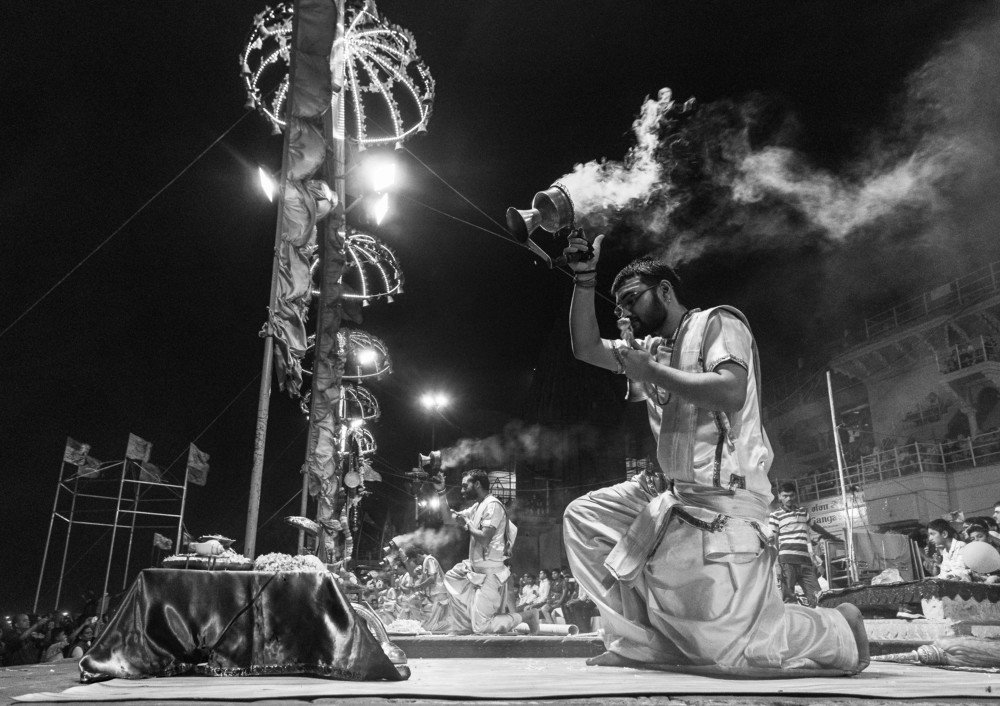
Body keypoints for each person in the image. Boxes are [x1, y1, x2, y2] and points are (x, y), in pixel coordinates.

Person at [561, 242, 867, 675]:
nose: (625, 313)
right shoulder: (648, 347)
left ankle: (835, 627)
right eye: (620, 306)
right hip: (677, 497)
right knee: (584, 516)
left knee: (729, 655)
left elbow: (730, 390)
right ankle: (646, 643)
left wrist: (650, 372)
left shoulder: (718, 323)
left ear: (664, 291)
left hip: (729, 500)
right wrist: (583, 278)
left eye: (632, 299)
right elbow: (586, 347)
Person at [434, 469, 539, 635]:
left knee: (482, 627)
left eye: (465, 486)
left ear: (477, 484)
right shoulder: (478, 506)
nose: (462, 490)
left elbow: (484, 539)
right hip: (474, 571)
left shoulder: (493, 505)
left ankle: (529, 616)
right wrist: (441, 492)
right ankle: (469, 624)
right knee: (451, 577)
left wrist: (468, 524)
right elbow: (448, 519)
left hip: (490, 573)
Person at [769, 482, 844, 607]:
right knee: (789, 600)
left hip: (805, 562)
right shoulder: (775, 515)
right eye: (785, 496)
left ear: (795, 495)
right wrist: (777, 564)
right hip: (786, 562)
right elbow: (774, 541)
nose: (788, 498)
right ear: (779, 496)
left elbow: (816, 527)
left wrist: (832, 537)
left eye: (791, 495)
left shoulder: (803, 512)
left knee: (818, 597)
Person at [402, 545, 451, 633]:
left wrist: (419, 586)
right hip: (433, 595)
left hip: (439, 595)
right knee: (413, 602)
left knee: (430, 627)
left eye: (415, 560)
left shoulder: (429, 560)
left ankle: (454, 626)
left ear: (418, 556)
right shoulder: (424, 563)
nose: (416, 563)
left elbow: (432, 578)